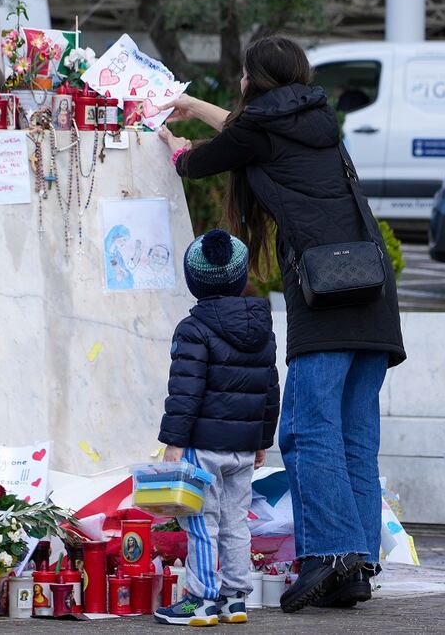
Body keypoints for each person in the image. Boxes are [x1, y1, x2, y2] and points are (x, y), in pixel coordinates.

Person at [157, 36, 405, 613]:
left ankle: (327, 555)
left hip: (326, 295)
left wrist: (174, 143)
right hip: (373, 291)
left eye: (244, 76)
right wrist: (193, 107)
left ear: (256, 80)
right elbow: (247, 131)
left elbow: (199, 162)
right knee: (354, 436)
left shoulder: (262, 128)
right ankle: (355, 567)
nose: (240, 86)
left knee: (307, 429)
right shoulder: (317, 118)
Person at [153, 229, 279, 627]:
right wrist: (262, 441)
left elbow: (185, 391)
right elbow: (270, 388)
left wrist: (174, 441)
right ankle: (235, 599)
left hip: (203, 446)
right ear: (239, 277)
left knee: (202, 522)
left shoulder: (193, 329)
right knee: (236, 521)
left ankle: (201, 599)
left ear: (195, 282)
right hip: (243, 447)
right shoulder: (262, 328)